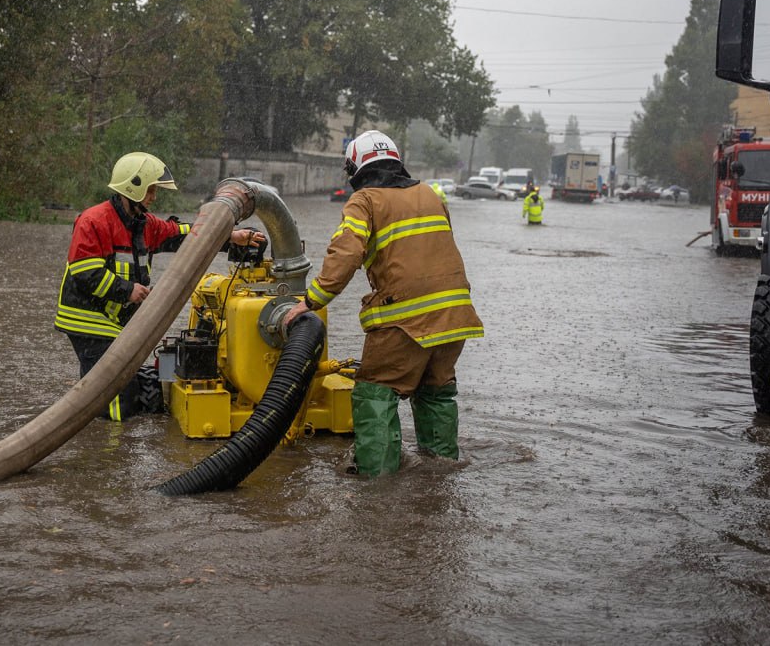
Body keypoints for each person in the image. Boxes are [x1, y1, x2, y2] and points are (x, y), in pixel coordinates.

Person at [282, 130, 484, 476]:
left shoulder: (365, 201)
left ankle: (378, 486)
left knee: (374, 392)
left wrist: (309, 301)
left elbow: (346, 253)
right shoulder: (432, 195)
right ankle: (441, 472)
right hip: (455, 318)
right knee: (436, 393)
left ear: (357, 168)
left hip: (404, 322)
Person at [55, 151, 265, 421]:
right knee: (117, 394)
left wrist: (229, 237)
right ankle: (109, 451)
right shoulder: (94, 221)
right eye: (151, 190)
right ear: (134, 187)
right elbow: (85, 272)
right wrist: (128, 290)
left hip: (115, 322)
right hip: (87, 321)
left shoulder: (144, 224)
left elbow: (187, 237)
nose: (154, 197)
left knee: (107, 387)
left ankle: (90, 422)